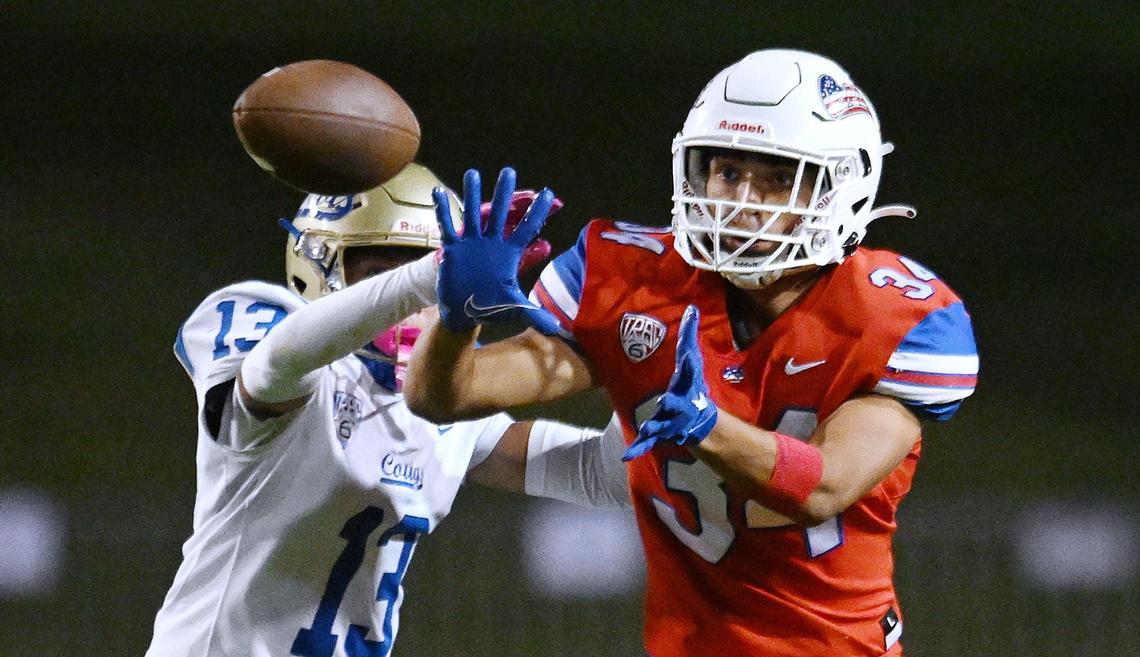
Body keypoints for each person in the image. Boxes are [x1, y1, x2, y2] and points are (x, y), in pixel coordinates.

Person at [405, 49, 979, 657]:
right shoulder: (634, 280)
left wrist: (708, 425)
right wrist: (457, 319)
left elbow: (826, 487)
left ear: (842, 188)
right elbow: (445, 396)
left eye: (779, 178)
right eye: (728, 173)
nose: (743, 202)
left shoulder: (897, 315)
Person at [146, 163, 630, 657]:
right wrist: (430, 274)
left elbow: (607, 476)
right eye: (381, 273)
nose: (412, 302)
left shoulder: (441, 406)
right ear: (317, 267)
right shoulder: (273, 330)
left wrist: (638, 370)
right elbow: (279, 363)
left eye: (434, 274)